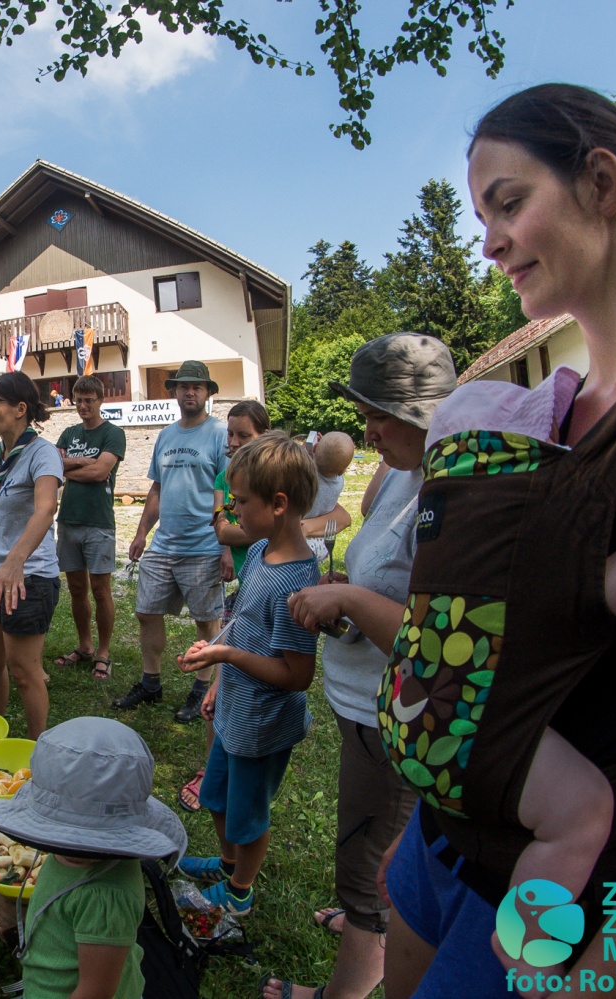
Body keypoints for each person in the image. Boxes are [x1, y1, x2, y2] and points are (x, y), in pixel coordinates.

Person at [377, 84, 616, 999]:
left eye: (509, 203)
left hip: (554, 886)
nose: (490, 240)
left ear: (602, 181)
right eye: (480, 216)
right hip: (441, 834)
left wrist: (608, 975)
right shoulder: (550, 405)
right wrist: (429, 803)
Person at [268, 333, 456, 999]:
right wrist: (346, 587)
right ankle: (362, 927)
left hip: (400, 715)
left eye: (382, 413)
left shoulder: (448, 485)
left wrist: (345, 595)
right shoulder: (400, 471)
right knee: (364, 848)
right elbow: (393, 582)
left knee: (374, 866)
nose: (368, 429)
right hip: (362, 703)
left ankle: (342, 989)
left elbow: (438, 637)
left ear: (425, 412)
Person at [175, 433, 320, 916]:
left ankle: (240, 891)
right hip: (235, 711)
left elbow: (297, 674)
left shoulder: (298, 581)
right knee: (216, 795)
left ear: (278, 504)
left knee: (247, 816)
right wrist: (218, 667)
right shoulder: (258, 552)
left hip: (262, 724)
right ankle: (226, 862)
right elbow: (241, 625)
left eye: (240, 503)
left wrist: (228, 660)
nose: (232, 512)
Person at [0, 716, 188, 999]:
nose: (69, 848)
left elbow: (95, 992)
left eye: (83, 841)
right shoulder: (72, 861)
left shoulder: (105, 897)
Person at [115, 360, 229, 723]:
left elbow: (226, 490)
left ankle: (202, 687)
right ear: (175, 392)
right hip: (165, 544)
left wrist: (225, 544)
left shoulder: (219, 434)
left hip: (204, 545)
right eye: (183, 386)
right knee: (146, 611)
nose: (190, 392)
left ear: (208, 393)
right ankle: (151, 683)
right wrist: (141, 532)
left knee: (206, 619)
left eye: (197, 386)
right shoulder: (165, 435)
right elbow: (157, 488)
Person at [178, 399, 269, 814]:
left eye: (242, 435)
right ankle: (213, 768)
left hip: (274, 592)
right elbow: (222, 532)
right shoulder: (225, 475)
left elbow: (336, 514)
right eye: (229, 434)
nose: (232, 443)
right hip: (247, 590)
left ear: (263, 436)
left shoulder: (278, 473)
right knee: (225, 684)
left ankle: (242, 771)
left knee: (257, 686)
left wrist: (243, 529)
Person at [0, 372, 62, 739]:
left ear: (20, 409)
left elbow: (45, 509)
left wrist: (14, 562)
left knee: (23, 671)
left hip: (28, 577)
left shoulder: (42, 453)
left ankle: (39, 752)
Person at [52, 375, 127, 682]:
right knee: (77, 589)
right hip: (68, 520)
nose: (83, 406)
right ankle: (84, 646)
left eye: (89, 400)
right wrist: (82, 463)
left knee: (100, 590)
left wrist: (73, 465)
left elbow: (100, 472)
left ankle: (104, 652)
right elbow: (54, 467)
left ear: (100, 401)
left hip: (98, 522)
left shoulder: (113, 433)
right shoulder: (68, 432)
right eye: (79, 400)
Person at [303, 431, 355, 563]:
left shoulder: (304, 473)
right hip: (321, 542)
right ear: (343, 470)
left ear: (314, 448)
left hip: (299, 539)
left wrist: (308, 450)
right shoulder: (339, 484)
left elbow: (302, 460)